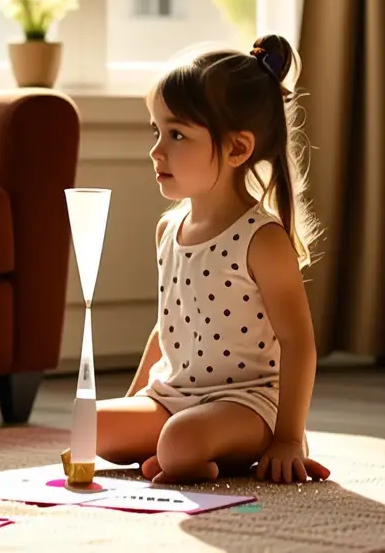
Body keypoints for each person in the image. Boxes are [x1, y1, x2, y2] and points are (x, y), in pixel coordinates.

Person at [89, 34, 331, 485]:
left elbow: (298, 343)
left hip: (247, 404)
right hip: (174, 397)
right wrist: (135, 400)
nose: (156, 150)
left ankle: (190, 453)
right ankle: (176, 450)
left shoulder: (262, 240)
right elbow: (166, 328)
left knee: (180, 441)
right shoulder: (168, 229)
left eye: (177, 134)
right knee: (88, 424)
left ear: (237, 148)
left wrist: (288, 439)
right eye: (156, 131)